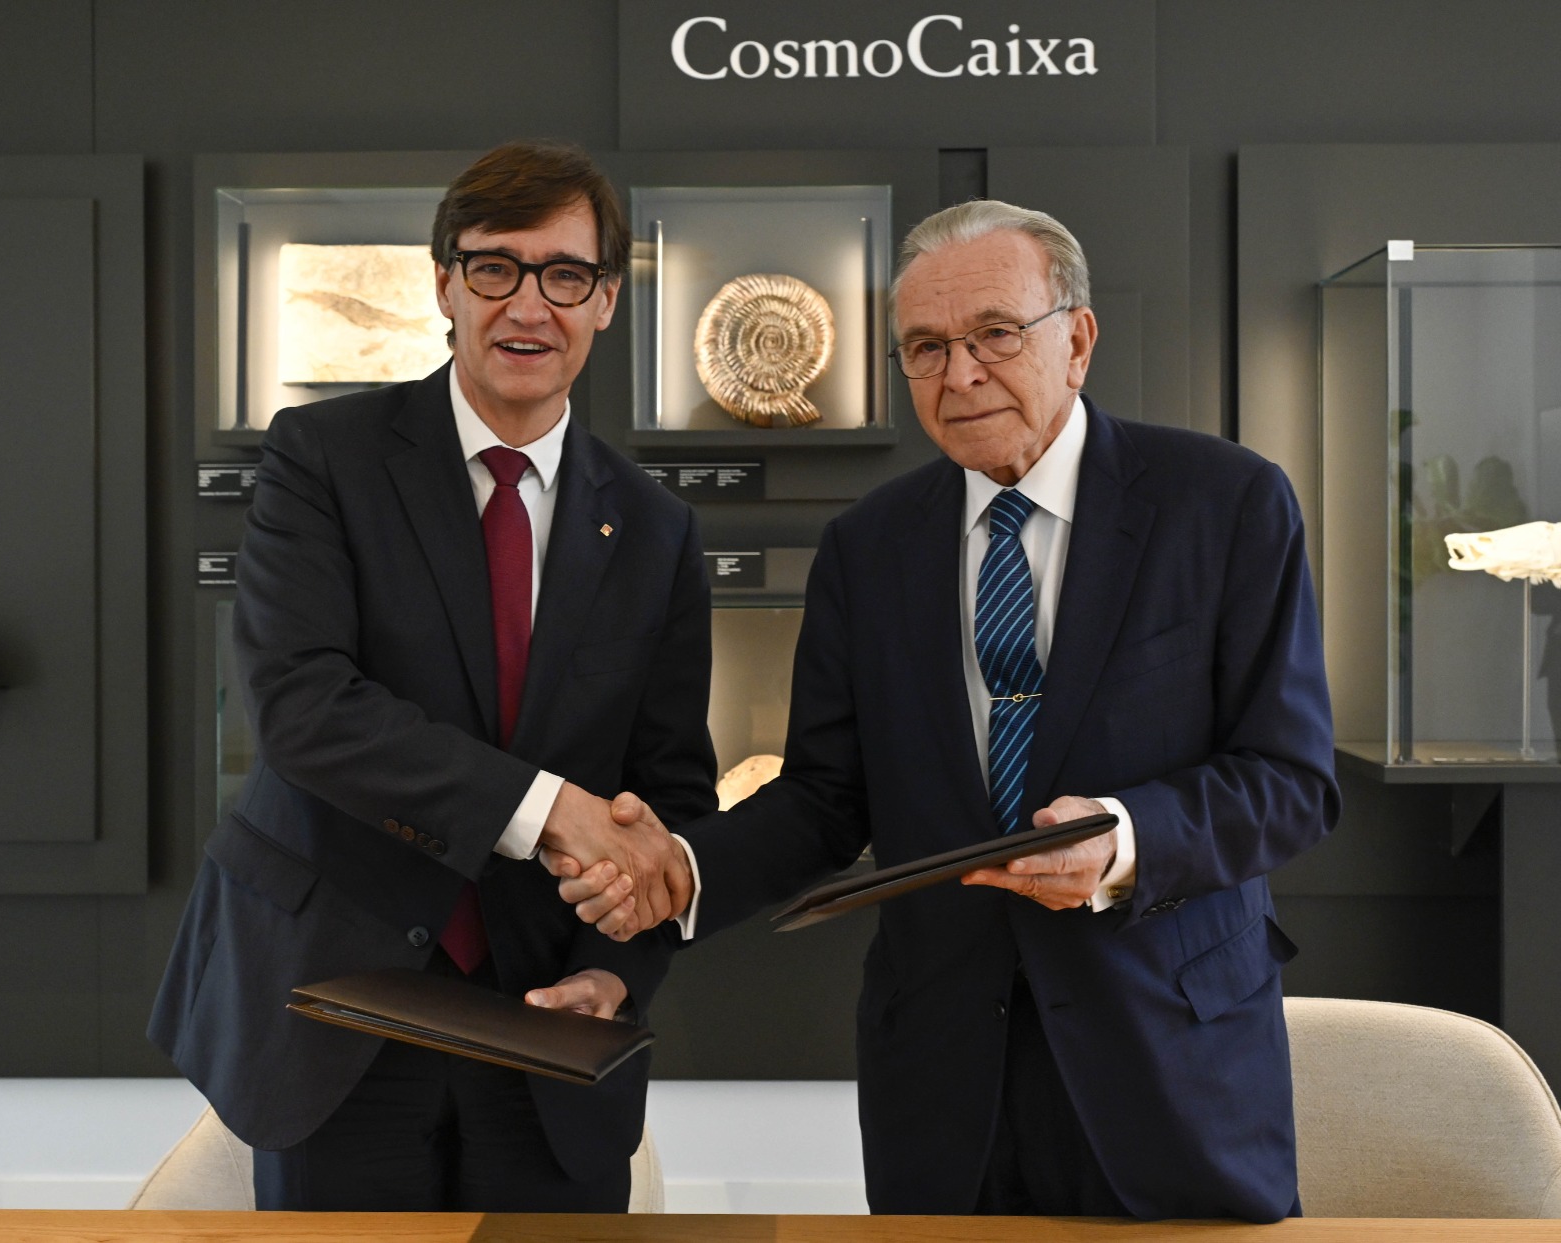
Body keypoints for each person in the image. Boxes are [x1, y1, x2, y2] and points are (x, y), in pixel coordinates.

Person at [556, 200, 1339, 1221]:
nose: (959, 373)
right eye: (925, 347)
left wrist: (1120, 842)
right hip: (941, 1079)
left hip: (1170, 1062)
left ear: (1078, 339)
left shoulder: (1226, 502)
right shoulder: (869, 545)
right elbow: (826, 800)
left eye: (994, 335)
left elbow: (1288, 779)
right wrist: (685, 870)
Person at [149, 140, 710, 1213]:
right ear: (443, 281)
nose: (527, 305)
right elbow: (304, 710)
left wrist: (615, 967)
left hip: (548, 1022)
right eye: (494, 267)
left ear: (604, 302)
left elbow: (667, 786)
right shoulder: (323, 456)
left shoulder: (654, 528)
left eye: (565, 274)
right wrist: (547, 810)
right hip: (337, 1006)